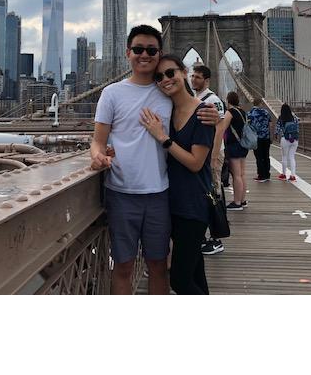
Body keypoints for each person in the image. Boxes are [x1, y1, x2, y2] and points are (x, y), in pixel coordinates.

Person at [90, 25, 219, 295]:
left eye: (151, 50)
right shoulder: (111, 94)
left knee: (159, 266)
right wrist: (98, 156)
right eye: (138, 49)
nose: (144, 55)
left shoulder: (166, 94)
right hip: (121, 193)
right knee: (123, 267)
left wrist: (214, 114)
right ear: (128, 53)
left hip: (161, 195)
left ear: (159, 54)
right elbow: (98, 141)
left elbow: (190, 111)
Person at [140, 55, 215, 294]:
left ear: (184, 72)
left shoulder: (203, 113)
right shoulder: (166, 111)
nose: (165, 80)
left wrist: (163, 137)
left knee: (180, 280)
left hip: (193, 206)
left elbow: (195, 163)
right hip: (170, 203)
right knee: (195, 274)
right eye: (159, 77)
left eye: (170, 73)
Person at [190, 64, 226, 256]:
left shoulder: (213, 100)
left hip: (212, 154)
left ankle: (216, 238)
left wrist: (213, 156)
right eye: (192, 76)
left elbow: (220, 128)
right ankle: (205, 236)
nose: (193, 79)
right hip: (202, 154)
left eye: (197, 77)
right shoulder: (196, 99)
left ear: (207, 80)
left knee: (214, 195)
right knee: (206, 194)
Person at [214, 91, 249, 210]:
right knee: (242, 174)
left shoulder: (230, 112)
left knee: (236, 175)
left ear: (228, 100)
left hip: (234, 146)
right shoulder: (243, 112)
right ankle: (243, 200)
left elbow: (222, 127)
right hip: (243, 145)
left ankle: (237, 202)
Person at [248, 98, 272, 182]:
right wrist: (270, 135)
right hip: (266, 137)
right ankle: (267, 174)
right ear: (260, 103)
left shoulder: (250, 113)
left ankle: (261, 175)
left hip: (256, 138)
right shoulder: (266, 112)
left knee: (259, 157)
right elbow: (270, 125)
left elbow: (248, 126)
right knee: (266, 156)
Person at [275, 103, 299, 181]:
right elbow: (297, 128)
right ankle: (293, 175)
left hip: (285, 139)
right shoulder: (294, 118)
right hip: (294, 139)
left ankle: (284, 174)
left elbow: (278, 130)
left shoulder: (281, 118)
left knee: (284, 157)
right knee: (292, 157)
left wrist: (276, 134)